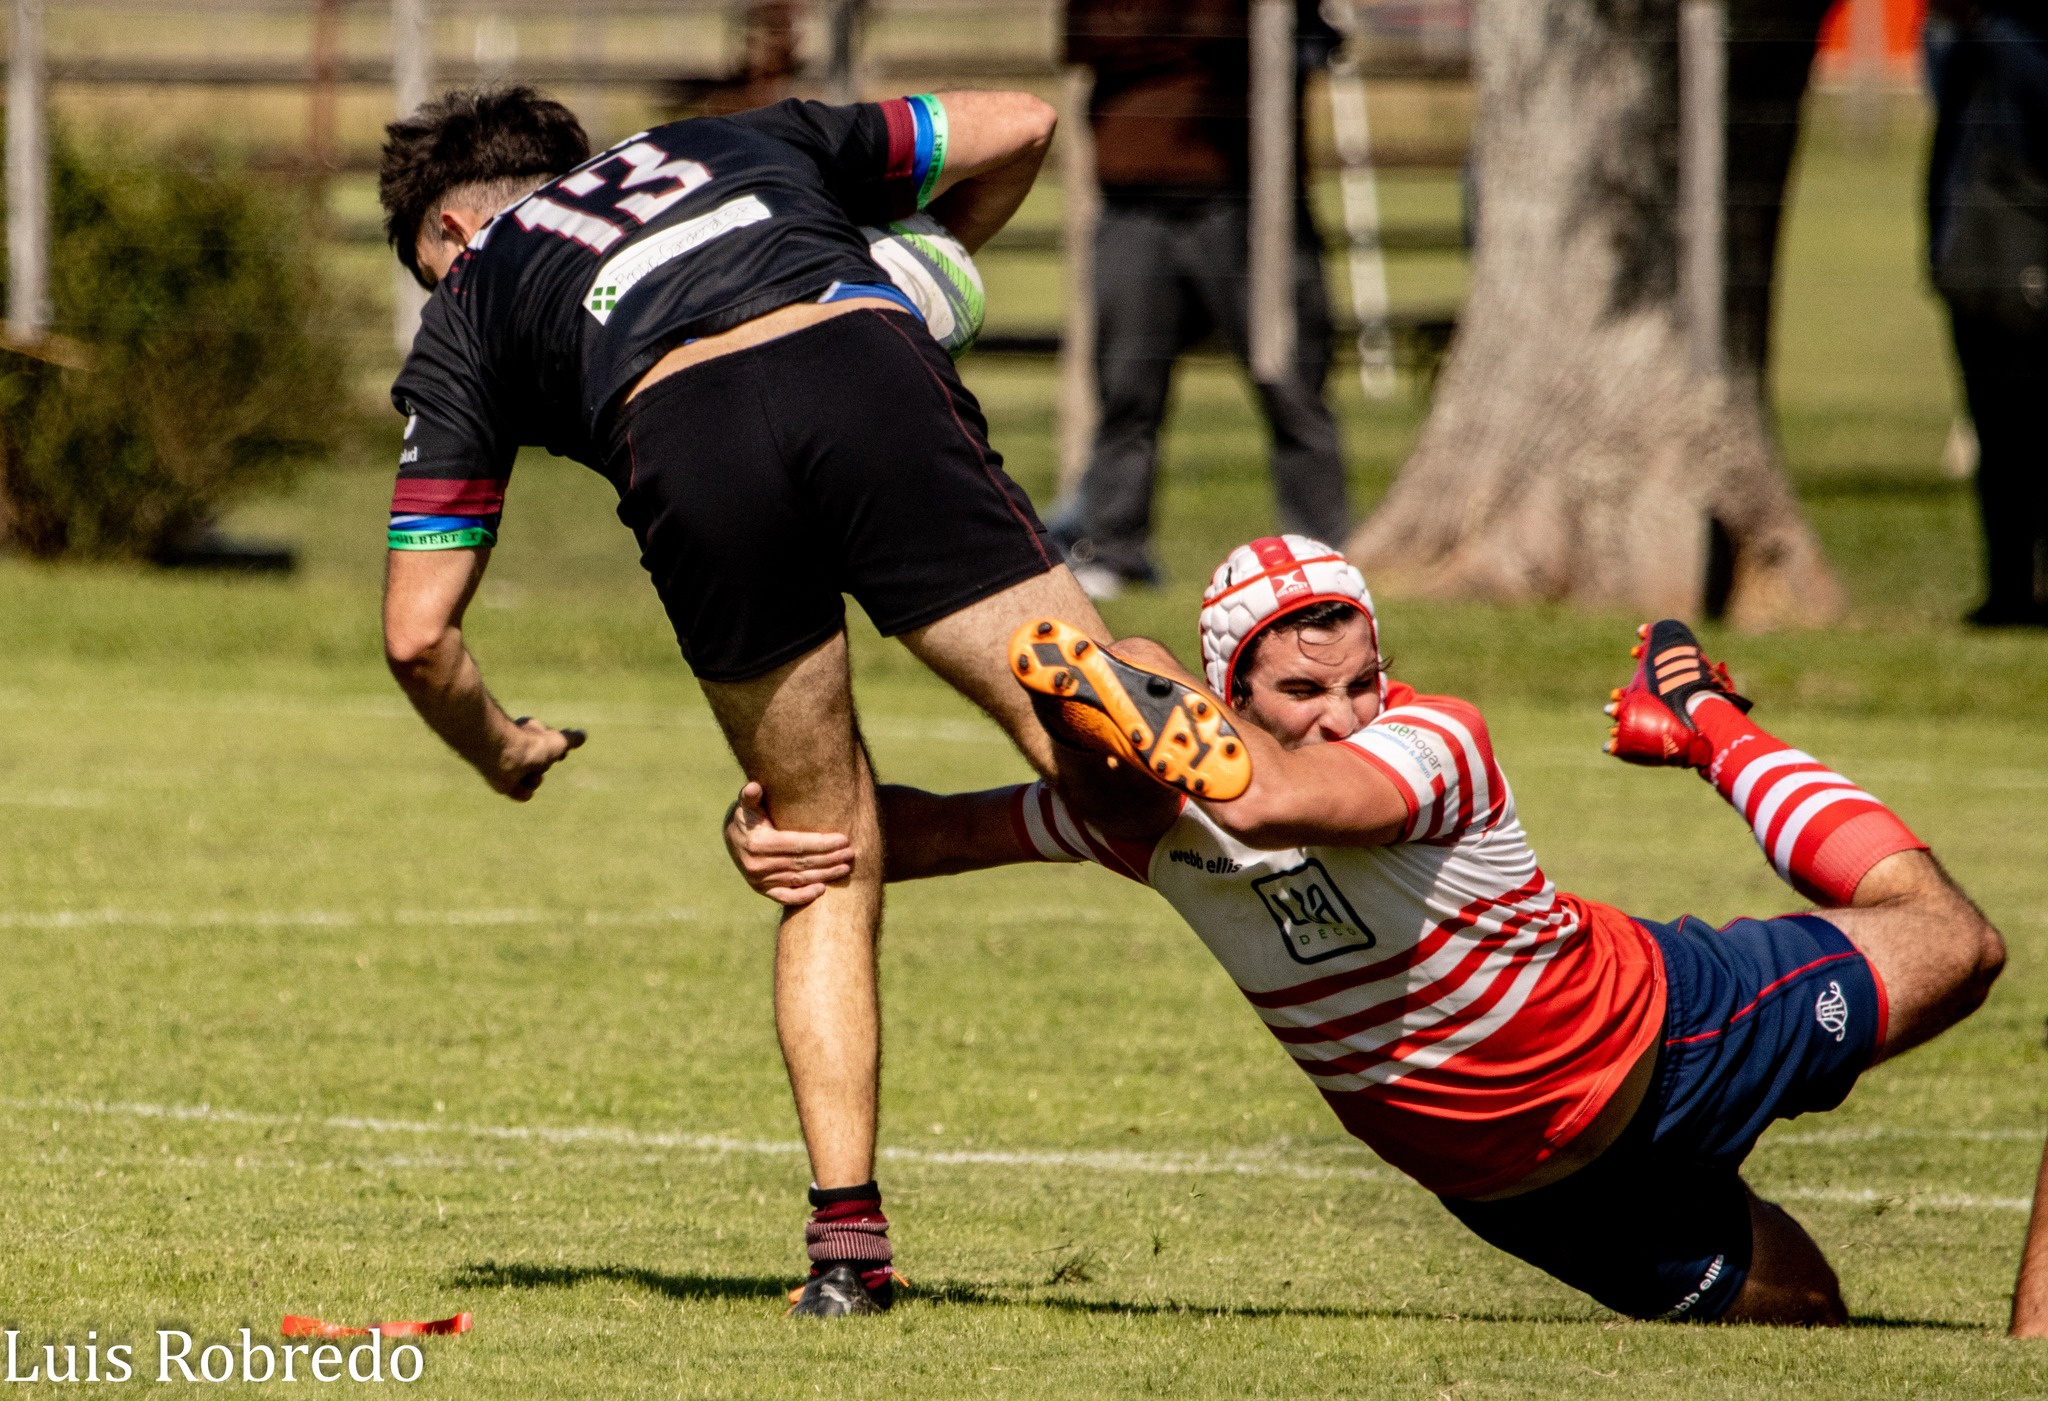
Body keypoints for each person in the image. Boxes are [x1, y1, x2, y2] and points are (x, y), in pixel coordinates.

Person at [727, 534, 2007, 1323]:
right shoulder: (1151, 820)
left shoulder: (1431, 741)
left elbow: (1290, 796)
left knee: (1952, 940)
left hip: (1665, 1033)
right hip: (1516, 1190)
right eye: (1302, 691)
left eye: (1360, 682)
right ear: (1232, 694)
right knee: (1811, 1320)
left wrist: (1143, 696)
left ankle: (1700, 719)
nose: (1347, 711)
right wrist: (789, 818)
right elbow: (931, 830)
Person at [374, 85, 1118, 1317]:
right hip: (853, 360)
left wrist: (502, 747)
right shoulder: (731, 135)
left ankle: (846, 1258)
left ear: (452, 233)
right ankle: (1127, 706)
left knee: (811, 845)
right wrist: (924, 270)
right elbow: (1024, 123)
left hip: (679, 433)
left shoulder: (471, 295)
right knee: (1095, 734)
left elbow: (416, 635)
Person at [1054, 0, 1348, 597]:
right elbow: (1086, 34)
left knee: (1292, 385)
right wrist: (1210, 37)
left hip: (1252, 203)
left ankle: (1324, 556)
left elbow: (1298, 38)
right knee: (1127, 389)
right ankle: (1113, 547)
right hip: (1135, 200)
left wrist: (1192, 38)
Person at [1925, 0, 2048, 627]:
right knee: (1997, 437)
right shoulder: (1956, 45)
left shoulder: (2018, 41)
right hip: (1972, 264)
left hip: (2025, 258)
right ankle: (2008, 590)